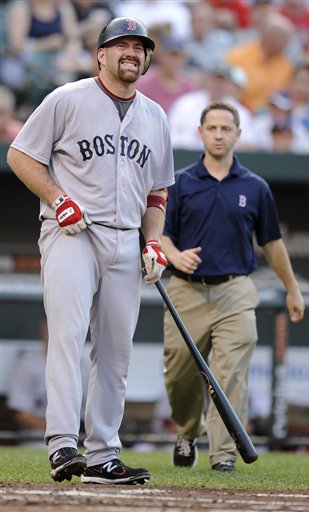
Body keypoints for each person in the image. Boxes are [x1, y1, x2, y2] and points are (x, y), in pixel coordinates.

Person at [7, 16, 174, 485]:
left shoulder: (155, 116)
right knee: (68, 335)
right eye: (121, 45)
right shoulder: (68, 98)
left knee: (117, 352)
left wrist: (155, 242)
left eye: (139, 47)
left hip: (126, 237)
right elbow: (20, 154)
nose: (131, 53)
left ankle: (103, 455)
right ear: (100, 54)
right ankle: (63, 445)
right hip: (73, 233)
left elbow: (159, 190)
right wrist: (58, 199)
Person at [161, 100, 304, 472]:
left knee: (231, 374)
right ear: (200, 133)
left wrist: (292, 287)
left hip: (235, 291)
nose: (219, 135)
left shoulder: (255, 187)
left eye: (226, 129)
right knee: (180, 376)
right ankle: (187, 431)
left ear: (238, 134)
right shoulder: (180, 182)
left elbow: (272, 242)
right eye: (212, 128)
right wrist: (174, 257)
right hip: (185, 290)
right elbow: (160, 235)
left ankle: (222, 454)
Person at [225, 12, 295, 112]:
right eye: (276, 35)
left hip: (269, 115)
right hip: (236, 109)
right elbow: (226, 87)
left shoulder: (287, 66)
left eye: (285, 38)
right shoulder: (238, 55)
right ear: (266, 35)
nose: (282, 41)